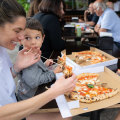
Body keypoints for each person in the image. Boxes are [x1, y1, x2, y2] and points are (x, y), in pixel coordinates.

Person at [0, 0, 77, 120]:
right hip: (13, 113)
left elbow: (3, 81)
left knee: (67, 113)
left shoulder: (2, 49)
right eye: (17, 31)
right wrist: (54, 92)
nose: (21, 39)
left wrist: (16, 68)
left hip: (15, 104)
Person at [17, 18, 62, 101]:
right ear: (20, 40)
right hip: (30, 98)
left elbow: (35, 72)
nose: (33, 42)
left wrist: (44, 65)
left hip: (32, 93)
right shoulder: (27, 58)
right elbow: (33, 82)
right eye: (27, 38)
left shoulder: (32, 52)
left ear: (43, 38)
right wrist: (53, 73)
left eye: (37, 37)